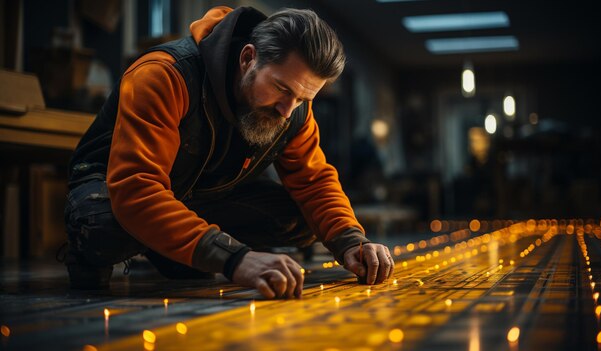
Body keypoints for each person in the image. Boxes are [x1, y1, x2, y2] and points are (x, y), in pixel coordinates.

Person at [63, 6, 394, 299]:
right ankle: (127, 248)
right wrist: (235, 259)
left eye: (303, 99)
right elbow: (137, 189)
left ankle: (172, 248)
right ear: (248, 57)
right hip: (112, 190)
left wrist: (352, 241)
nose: (286, 110)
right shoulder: (164, 74)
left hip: (196, 197)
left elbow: (314, 182)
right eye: (281, 88)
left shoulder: (293, 109)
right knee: (102, 224)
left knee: (302, 219)